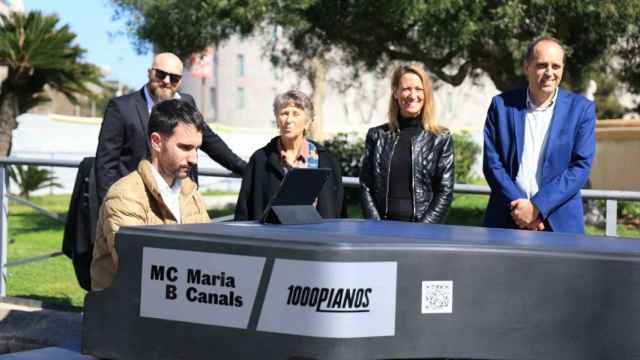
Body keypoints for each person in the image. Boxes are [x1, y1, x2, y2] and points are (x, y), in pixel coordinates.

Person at [95, 52, 246, 204]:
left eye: (174, 78)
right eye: (161, 74)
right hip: (136, 201)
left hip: (181, 200)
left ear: (180, 81)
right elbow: (105, 164)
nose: (166, 81)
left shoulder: (187, 103)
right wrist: (111, 205)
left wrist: (246, 168)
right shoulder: (121, 108)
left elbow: (210, 141)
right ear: (149, 73)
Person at [91, 99, 210, 290]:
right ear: (156, 142)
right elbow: (137, 268)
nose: (194, 158)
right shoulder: (125, 196)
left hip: (177, 303)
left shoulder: (190, 191)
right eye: (185, 147)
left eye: (197, 148)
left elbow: (210, 254)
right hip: (127, 312)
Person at [482, 36, 596, 234]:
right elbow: (492, 164)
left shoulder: (581, 110)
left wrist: (537, 208)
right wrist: (520, 209)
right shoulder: (501, 106)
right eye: (542, 65)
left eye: (556, 66)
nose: (549, 73)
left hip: (559, 225)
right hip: (506, 219)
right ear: (526, 67)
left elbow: (580, 166)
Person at [359, 64, 454, 223]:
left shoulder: (440, 138)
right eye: (406, 88)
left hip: (423, 232)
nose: (412, 95)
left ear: (426, 94)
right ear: (395, 92)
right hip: (381, 230)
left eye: (418, 89)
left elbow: (445, 191)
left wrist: (424, 229)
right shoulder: (377, 136)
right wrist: (375, 225)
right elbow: (366, 186)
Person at [234, 90, 344, 221]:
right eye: (284, 113)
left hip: (318, 237)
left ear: (308, 122)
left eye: (296, 114)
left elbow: (339, 208)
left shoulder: (326, 160)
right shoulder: (261, 159)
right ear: (277, 119)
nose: (289, 120)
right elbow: (244, 209)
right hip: (273, 238)